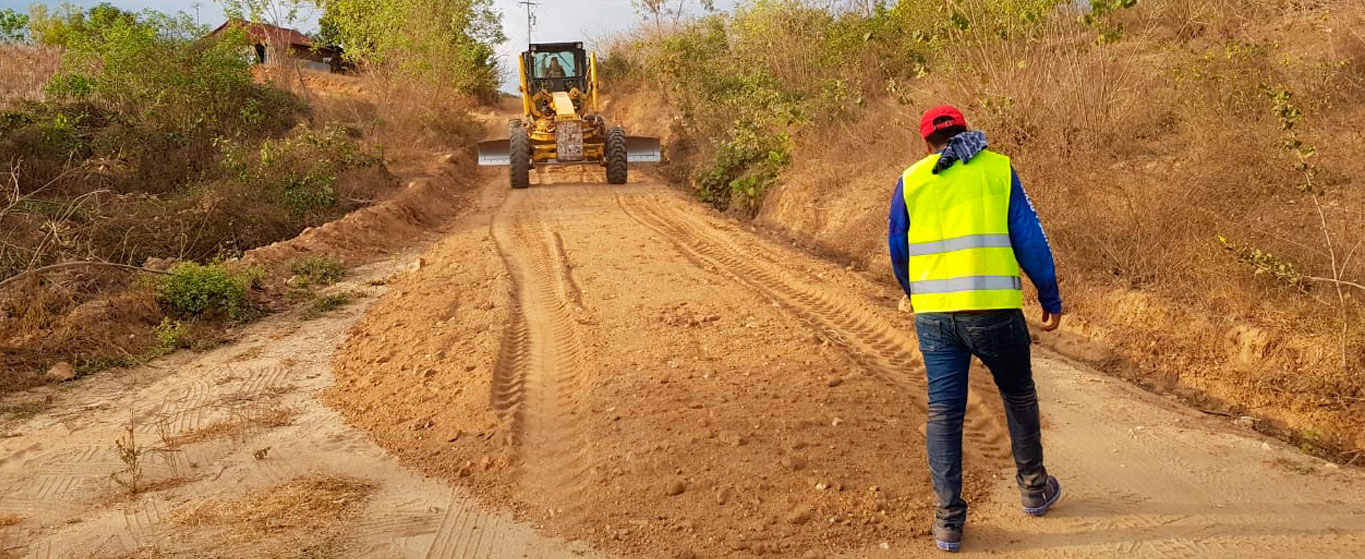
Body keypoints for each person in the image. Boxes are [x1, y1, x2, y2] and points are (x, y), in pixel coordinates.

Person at [887, 105, 1064, 553]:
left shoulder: (911, 179)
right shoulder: (998, 169)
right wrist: (1049, 293)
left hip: (935, 315)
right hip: (993, 310)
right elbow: (1029, 236)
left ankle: (948, 522)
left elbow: (898, 247)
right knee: (1017, 393)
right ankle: (1034, 487)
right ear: (965, 131)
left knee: (945, 412)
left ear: (926, 142)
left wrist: (914, 292)